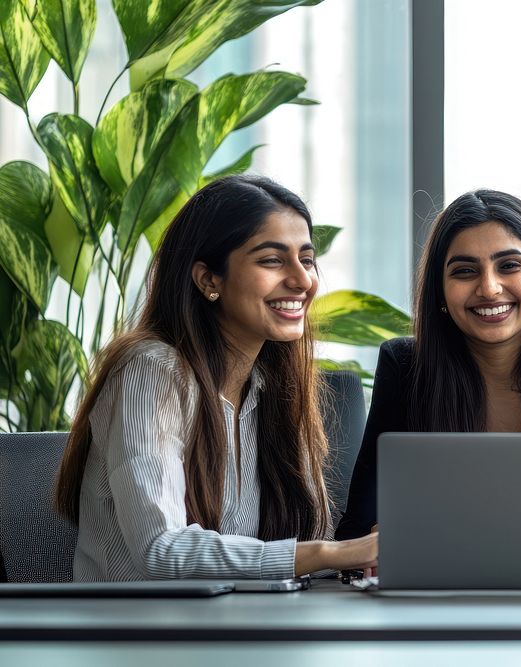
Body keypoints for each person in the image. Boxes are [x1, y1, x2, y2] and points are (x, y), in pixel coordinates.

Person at [55, 175, 378, 581]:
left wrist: (369, 553)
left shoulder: (274, 387)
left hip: (243, 627)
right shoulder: (151, 370)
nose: (303, 280)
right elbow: (162, 549)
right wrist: (332, 553)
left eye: (307, 259)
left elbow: (308, 540)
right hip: (135, 634)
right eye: (272, 260)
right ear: (209, 279)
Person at [336, 189, 521, 539]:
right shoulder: (405, 367)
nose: (489, 288)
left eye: (509, 266)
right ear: (440, 290)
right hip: (438, 588)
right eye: (465, 271)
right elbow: (357, 530)